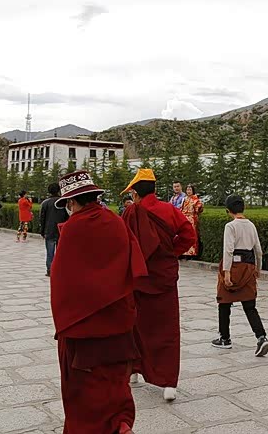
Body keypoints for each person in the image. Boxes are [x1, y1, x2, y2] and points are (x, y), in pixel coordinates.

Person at [50, 170, 146, 434]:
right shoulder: (115, 221)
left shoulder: (74, 227)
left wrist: (64, 321)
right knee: (115, 382)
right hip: (118, 321)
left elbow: (62, 279)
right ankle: (120, 424)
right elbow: (133, 265)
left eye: (69, 204)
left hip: (83, 326)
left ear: (72, 202)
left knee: (83, 390)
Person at [121, 169, 195, 402]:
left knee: (136, 325)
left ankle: (133, 370)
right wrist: (170, 252)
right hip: (164, 277)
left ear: (135, 193)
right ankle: (168, 382)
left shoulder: (130, 213)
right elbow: (189, 235)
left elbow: (121, 243)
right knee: (167, 328)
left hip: (138, 278)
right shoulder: (169, 209)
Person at [212, 194, 268, 357]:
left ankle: (225, 338)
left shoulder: (230, 226)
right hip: (249, 267)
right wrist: (258, 268)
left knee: (224, 303)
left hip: (233, 266)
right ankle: (261, 337)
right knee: (250, 306)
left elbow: (228, 250)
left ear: (228, 210)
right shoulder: (251, 225)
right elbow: (258, 250)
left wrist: (227, 272)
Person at [40, 183, 68, 277]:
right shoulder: (64, 202)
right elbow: (68, 217)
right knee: (61, 253)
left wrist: (42, 231)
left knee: (50, 253)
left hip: (49, 231)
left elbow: (42, 218)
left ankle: (50, 270)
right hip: (61, 231)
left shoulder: (45, 203)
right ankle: (61, 270)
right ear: (59, 190)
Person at [180, 184, 203, 258]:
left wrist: (198, 207)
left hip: (192, 218)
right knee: (184, 235)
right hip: (184, 218)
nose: (188, 191)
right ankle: (184, 252)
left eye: (190, 190)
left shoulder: (196, 200)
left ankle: (192, 253)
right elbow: (181, 208)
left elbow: (198, 209)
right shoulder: (184, 199)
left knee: (192, 235)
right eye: (187, 190)